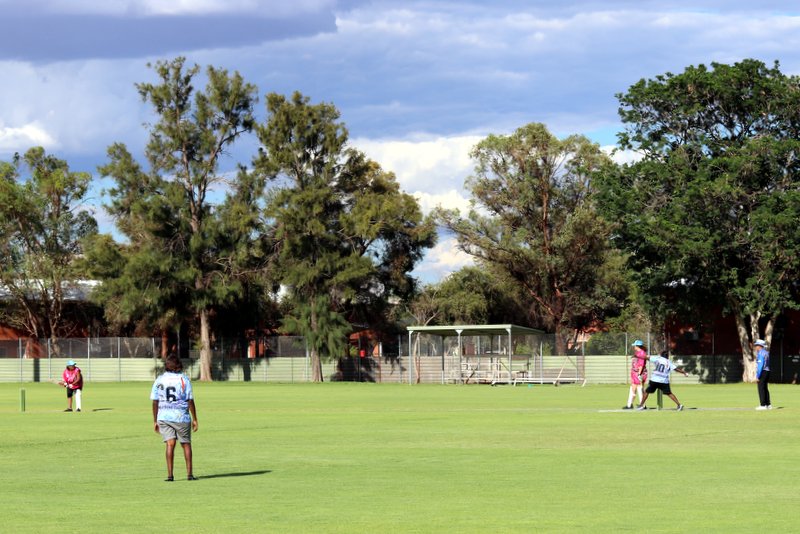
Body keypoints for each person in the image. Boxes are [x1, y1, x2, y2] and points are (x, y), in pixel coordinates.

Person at [151, 355, 199, 481]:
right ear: (178, 366)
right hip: (181, 416)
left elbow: (155, 401)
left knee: (170, 444)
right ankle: (189, 474)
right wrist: (195, 419)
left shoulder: (159, 380)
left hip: (164, 416)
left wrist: (155, 420)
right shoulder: (184, 379)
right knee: (186, 444)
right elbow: (190, 400)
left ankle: (170, 475)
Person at [623, 340, 648, 409]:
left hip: (639, 373)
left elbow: (641, 365)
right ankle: (632, 405)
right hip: (635, 373)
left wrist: (639, 374)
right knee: (634, 388)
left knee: (639, 388)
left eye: (635, 345)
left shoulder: (642, 353)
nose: (634, 346)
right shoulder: (638, 352)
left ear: (637, 346)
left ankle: (640, 405)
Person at [753, 339, 772, 410]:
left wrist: (758, 376)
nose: (755, 347)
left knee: (761, 388)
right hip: (767, 371)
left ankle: (763, 405)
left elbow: (760, 365)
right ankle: (768, 404)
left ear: (760, 346)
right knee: (765, 388)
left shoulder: (760, 353)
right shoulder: (766, 352)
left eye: (756, 345)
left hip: (763, 371)